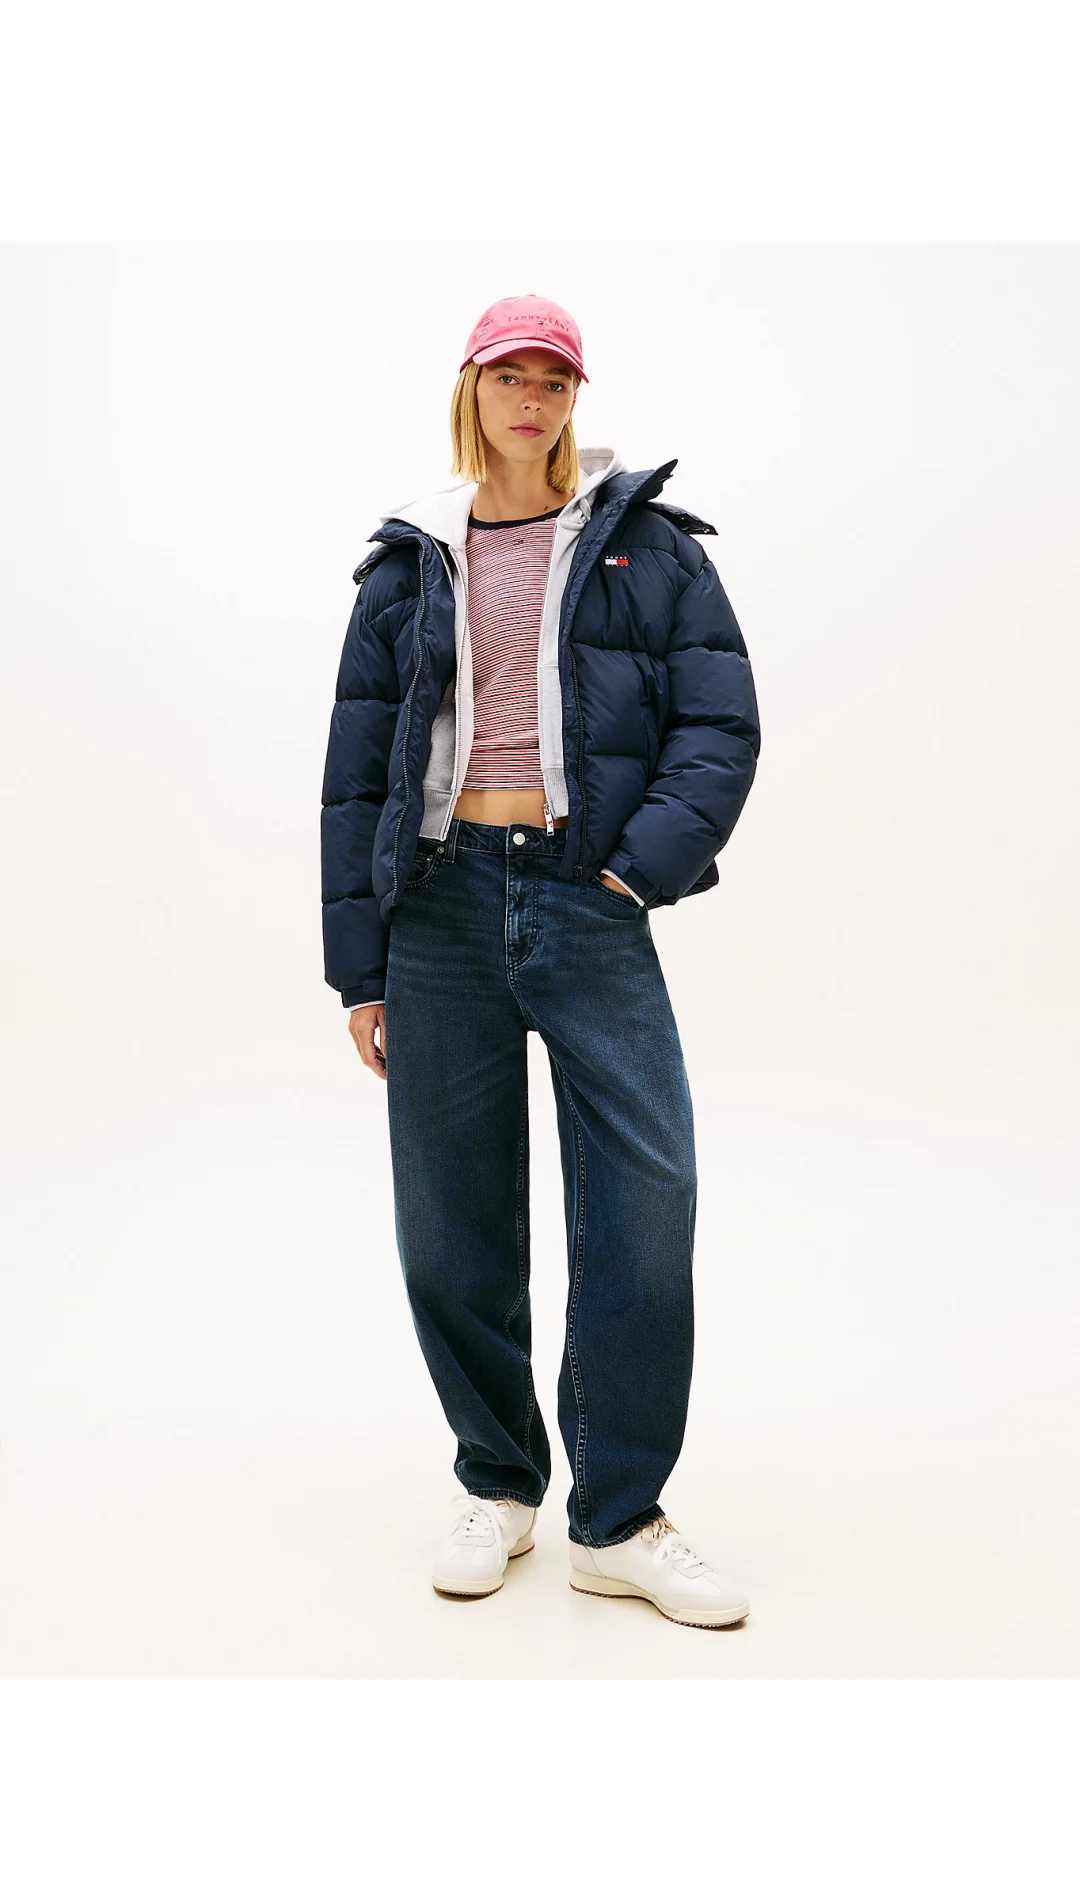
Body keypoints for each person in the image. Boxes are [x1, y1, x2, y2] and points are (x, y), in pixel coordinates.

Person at [321, 294, 761, 1629]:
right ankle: (499, 1482)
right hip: (438, 909)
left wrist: (633, 873)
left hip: (587, 901)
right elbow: (355, 773)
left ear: (575, 399)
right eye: (509, 377)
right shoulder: (408, 563)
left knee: (645, 1205)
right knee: (451, 1221)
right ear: (472, 390)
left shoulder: (647, 548)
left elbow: (721, 725)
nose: (532, 400)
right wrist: (361, 969)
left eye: (554, 381)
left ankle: (618, 1519)